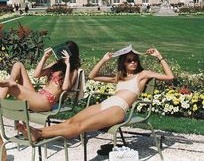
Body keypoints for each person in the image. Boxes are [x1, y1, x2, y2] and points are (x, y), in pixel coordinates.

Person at [17, 47, 174, 142]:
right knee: (70, 121)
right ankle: (37, 133)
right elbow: (92, 76)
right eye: (129, 60)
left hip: (118, 109)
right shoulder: (119, 77)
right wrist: (104, 60)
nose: (133, 62)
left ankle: (39, 133)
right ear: (123, 63)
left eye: (134, 60)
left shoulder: (143, 75)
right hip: (105, 105)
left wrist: (159, 57)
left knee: (81, 126)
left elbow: (170, 77)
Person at [0, 40, 80, 127]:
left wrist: (68, 64)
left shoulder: (73, 71)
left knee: (7, 86)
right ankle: (11, 80)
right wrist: (44, 58)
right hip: (38, 96)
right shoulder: (56, 65)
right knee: (18, 65)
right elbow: (36, 74)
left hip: (45, 102)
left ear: (71, 54)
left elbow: (66, 87)